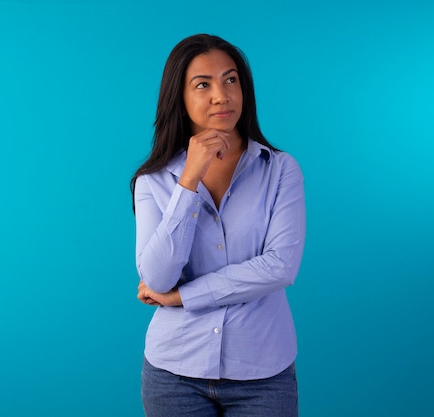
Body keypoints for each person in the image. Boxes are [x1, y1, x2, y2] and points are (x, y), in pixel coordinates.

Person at [130, 33, 306, 417]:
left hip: (263, 373)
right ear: (179, 98)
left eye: (230, 80)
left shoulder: (280, 170)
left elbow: (280, 266)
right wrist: (188, 180)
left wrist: (183, 298)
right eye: (203, 85)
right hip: (173, 373)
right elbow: (157, 278)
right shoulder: (153, 182)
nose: (221, 95)